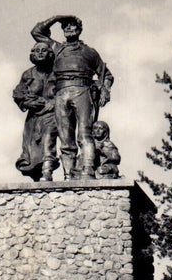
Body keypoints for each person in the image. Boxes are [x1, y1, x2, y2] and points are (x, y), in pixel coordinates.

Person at [31, 15, 113, 179]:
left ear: (79, 29)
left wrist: (104, 89)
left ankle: (88, 170)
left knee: (85, 134)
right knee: (65, 137)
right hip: (61, 92)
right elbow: (37, 32)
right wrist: (57, 18)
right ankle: (69, 175)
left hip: (82, 90)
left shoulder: (90, 52)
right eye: (65, 26)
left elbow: (107, 75)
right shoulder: (57, 48)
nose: (68, 28)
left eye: (72, 26)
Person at [12, 41, 59, 182]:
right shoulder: (28, 74)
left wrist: (54, 102)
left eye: (43, 50)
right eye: (36, 50)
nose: (40, 53)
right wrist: (28, 102)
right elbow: (19, 94)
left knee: (48, 137)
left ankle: (47, 169)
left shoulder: (57, 73)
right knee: (31, 148)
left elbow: (65, 91)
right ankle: (37, 177)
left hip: (52, 113)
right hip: (33, 117)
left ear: (50, 54)